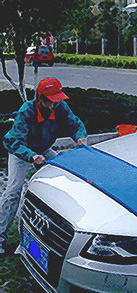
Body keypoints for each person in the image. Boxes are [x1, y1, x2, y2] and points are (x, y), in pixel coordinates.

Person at [0, 78, 87, 255]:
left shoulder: (60, 106)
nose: (55, 104)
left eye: (57, 99)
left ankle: (56, 232)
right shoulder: (26, 112)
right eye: (51, 101)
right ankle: (0, 237)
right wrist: (31, 156)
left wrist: (81, 137)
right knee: (13, 191)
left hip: (43, 148)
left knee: (61, 177)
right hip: (22, 149)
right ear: (40, 99)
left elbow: (75, 124)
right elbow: (11, 141)